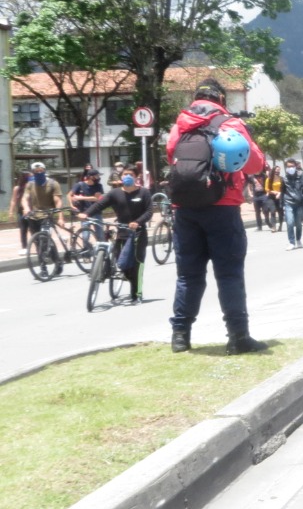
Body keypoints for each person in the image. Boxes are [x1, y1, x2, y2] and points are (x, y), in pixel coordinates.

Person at [165, 78, 267, 355]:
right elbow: (256, 162)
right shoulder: (229, 123)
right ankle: (238, 337)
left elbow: (171, 156)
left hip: (184, 209)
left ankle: (180, 336)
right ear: (221, 99)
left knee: (188, 276)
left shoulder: (180, 125)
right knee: (229, 274)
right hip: (223, 206)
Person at [79, 166, 153, 303]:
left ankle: (136, 294)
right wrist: (86, 213)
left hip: (138, 234)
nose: (127, 177)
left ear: (136, 177)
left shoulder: (143, 193)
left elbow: (149, 212)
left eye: (130, 174)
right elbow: (99, 205)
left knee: (137, 264)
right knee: (122, 263)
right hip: (122, 232)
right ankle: (126, 276)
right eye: (125, 174)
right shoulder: (115, 193)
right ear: (121, 177)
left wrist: (138, 222)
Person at [280, 158, 303, 249]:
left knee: (298, 223)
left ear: (295, 167)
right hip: (288, 202)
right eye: (288, 167)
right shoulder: (284, 179)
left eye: (292, 166)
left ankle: (298, 240)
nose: (290, 168)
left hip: (299, 203)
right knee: (290, 222)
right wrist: (281, 205)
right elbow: (282, 191)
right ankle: (291, 242)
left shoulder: (301, 177)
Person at [70, 169, 106, 239]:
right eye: (96, 176)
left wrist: (81, 198)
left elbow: (97, 198)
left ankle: (102, 249)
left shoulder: (98, 186)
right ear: (90, 177)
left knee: (100, 235)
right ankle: (87, 249)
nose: (98, 178)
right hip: (84, 213)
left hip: (96, 212)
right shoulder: (80, 185)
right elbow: (70, 195)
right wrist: (72, 204)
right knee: (85, 236)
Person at [9, 170, 33, 250]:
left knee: (34, 229)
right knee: (23, 230)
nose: (31, 178)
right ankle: (24, 248)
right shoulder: (17, 188)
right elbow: (13, 200)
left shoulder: (32, 187)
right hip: (21, 211)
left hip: (32, 210)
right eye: (30, 176)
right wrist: (11, 212)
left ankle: (38, 246)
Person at [264, 165, 284, 232]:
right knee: (273, 211)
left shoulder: (281, 179)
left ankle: (280, 226)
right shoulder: (269, 179)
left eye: (278, 171)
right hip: (271, 197)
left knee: (280, 212)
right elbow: (266, 189)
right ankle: (273, 227)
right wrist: (273, 192)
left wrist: (279, 193)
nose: (277, 172)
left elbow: (284, 188)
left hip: (279, 196)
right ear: (273, 171)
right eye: (276, 170)